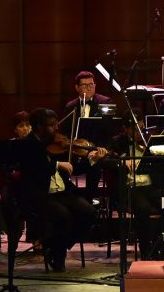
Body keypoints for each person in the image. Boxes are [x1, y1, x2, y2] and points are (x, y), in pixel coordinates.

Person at [14, 107, 100, 272]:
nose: (56, 128)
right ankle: (58, 257)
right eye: (52, 125)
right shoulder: (27, 144)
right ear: (39, 127)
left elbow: (73, 169)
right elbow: (36, 166)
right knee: (63, 215)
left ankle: (54, 247)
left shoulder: (55, 143)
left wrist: (92, 160)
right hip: (39, 195)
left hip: (62, 192)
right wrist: (57, 164)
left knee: (89, 212)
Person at [105, 108, 164, 260]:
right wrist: (123, 163)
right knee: (143, 208)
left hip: (151, 185)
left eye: (142, 128)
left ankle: (159, 245)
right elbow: (105, 160)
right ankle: (146, 250)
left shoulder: (149, 141)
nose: (140, 133)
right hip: (130, 187)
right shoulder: (117, 142)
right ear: (125, 128)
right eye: (135, 129)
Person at [64, 70, 112, 201]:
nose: (89, 88)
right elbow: (67, 131)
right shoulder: (70, 106)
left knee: (94, 164)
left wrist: (96, 149)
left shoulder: (105, 102)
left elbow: (109, 131)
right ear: (77, 87)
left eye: (91, 84)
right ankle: (72, 199)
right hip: (77, 148)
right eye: (84, 85)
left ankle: (89, 200)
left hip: (97, 148)